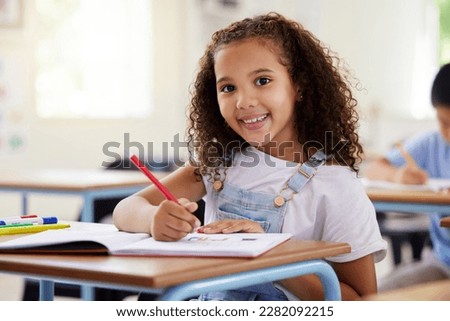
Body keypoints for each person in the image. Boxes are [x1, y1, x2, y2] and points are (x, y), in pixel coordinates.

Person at [113, 12, 387, 301]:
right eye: (228, 88)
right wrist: (153, 218)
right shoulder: (220, 164)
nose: (244, 102)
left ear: (299, 86)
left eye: (262, 80)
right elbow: (127, 208)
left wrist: (270, 251)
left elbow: (362, 302)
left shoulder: (336, 186)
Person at [364, 62, 450, 291]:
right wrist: (398, 175)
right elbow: (374, 169)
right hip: (442, 266)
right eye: (444, 123)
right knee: (377, 294)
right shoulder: (430, 143)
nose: (449, 132)